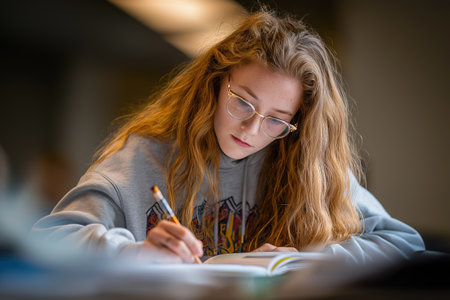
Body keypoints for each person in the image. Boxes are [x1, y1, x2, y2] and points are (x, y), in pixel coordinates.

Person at [32, 9, 424, 264]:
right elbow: (48, 241)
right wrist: (138, 252)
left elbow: (404, 244)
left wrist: (305, 262)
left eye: (276, 120)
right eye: (243, 103)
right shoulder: (144, 157)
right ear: (216, 84)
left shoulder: (306, 163)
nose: (252, 130)